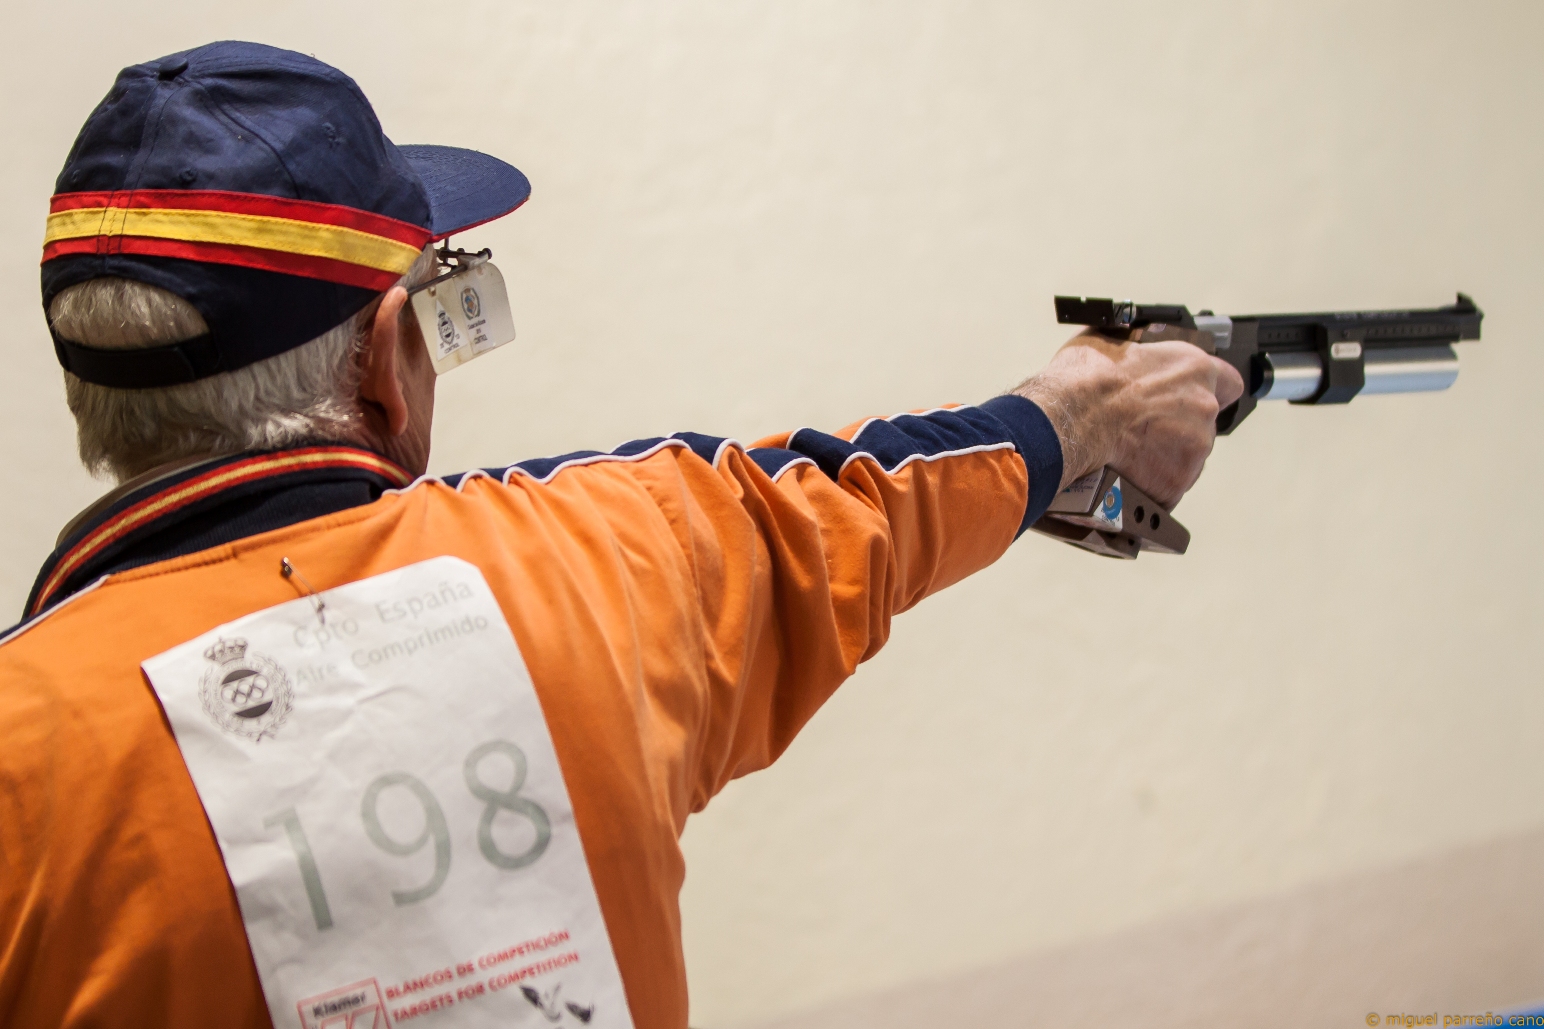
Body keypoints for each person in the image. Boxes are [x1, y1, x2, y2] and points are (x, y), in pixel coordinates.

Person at [0, 41, 1242, 1029]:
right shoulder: (604, 556)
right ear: (384, 360)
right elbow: (877, 497)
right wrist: (1089, 406)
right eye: (438, 302)